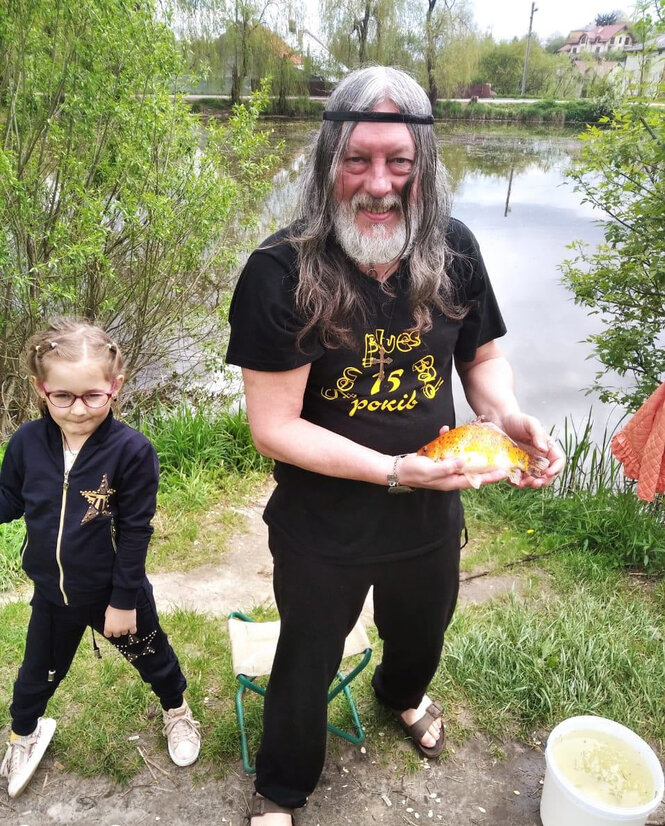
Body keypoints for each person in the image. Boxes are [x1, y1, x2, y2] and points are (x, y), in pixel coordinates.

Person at [226, 66, 565, 825]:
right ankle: (282, 789)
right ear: (326, 165)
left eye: (399, 163)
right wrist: (391, 470)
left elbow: (480, 359)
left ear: (425, 170)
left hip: (429, 514)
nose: (378, 184)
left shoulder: (452, 246)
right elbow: (272, 426)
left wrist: (505, 416)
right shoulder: (278, 272)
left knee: (421, 628)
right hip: (322, 523)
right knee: (307, 653)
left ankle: (401, 695)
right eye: (356, 159)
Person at [0, 319, 201, 799]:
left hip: (116, 594)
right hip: (53, 594)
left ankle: (177, 711)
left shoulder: (132, 452)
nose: (77, 409)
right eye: (62, 396)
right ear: (40, 388)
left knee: (153, 659)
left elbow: (135, 532)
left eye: (93, 395)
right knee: (35, 675)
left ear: (116, 386)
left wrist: (124, 602)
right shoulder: (27, 442)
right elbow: (9, 499)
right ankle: (23, 735)